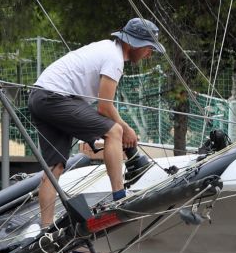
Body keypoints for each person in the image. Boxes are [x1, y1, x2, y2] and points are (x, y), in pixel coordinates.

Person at [27, 18, 162, 227]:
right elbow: (104, 107)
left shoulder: (106, 49)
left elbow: (102, 106)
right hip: (55, 97)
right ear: (133, 43)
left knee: (55, 168)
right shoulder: (114, 58)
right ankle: (120, 197)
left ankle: (45, 230)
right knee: (114, 131)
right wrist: (126, 129)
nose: (149, 54)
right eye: (148, 47)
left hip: (40, 97)